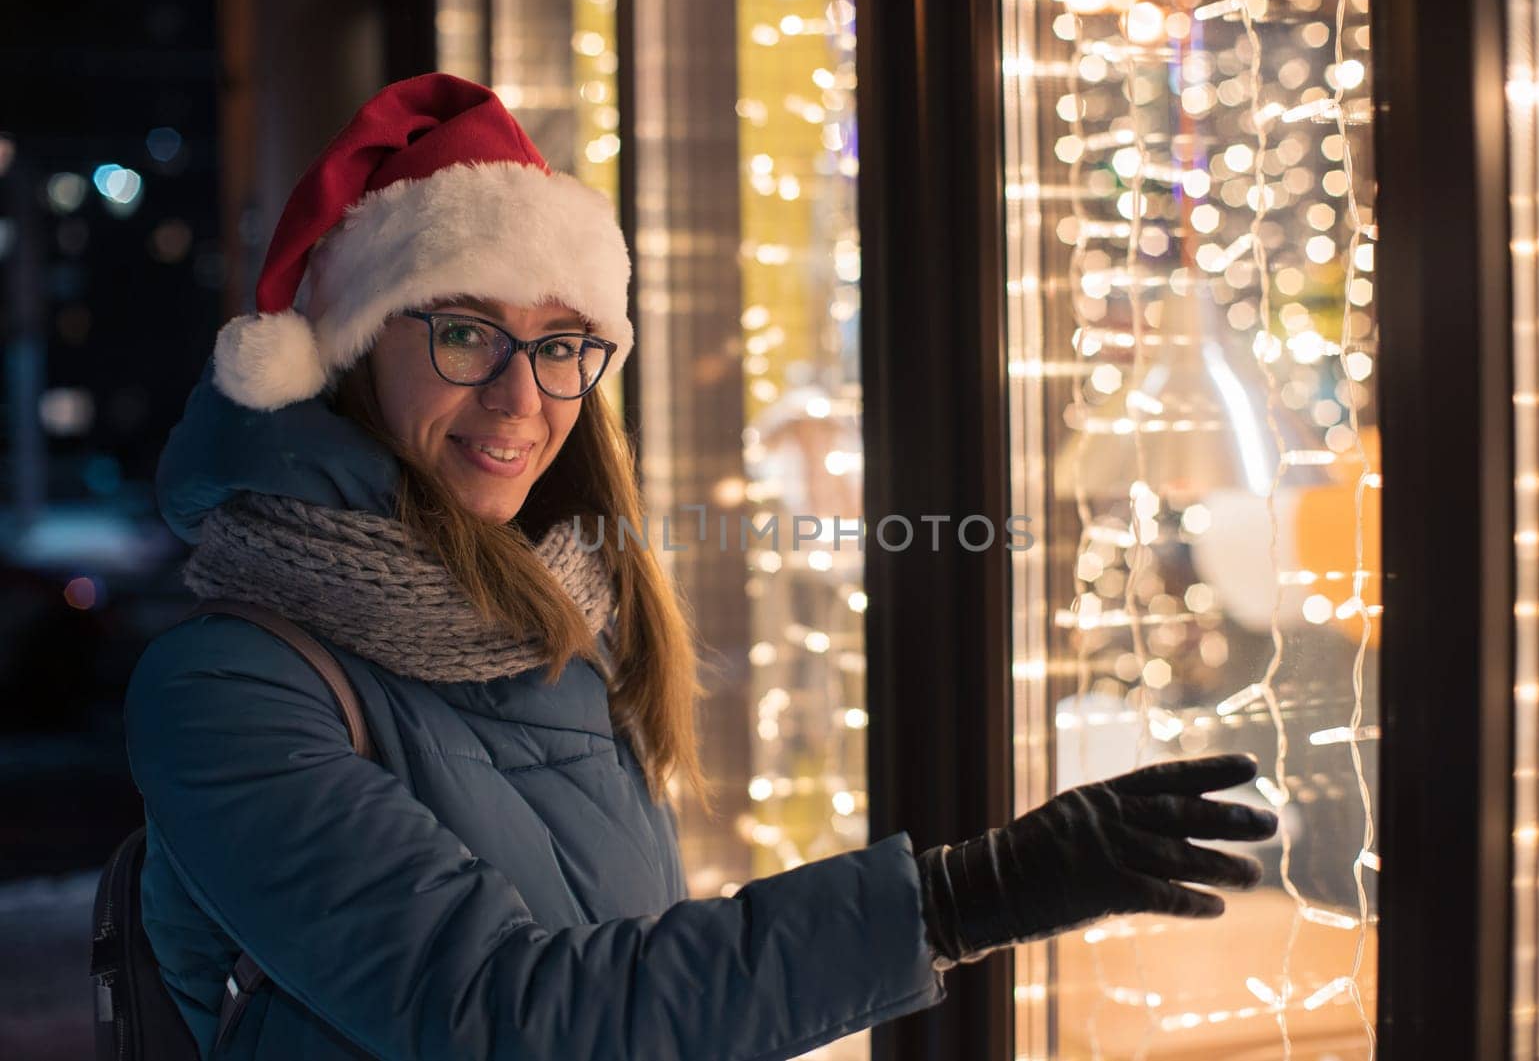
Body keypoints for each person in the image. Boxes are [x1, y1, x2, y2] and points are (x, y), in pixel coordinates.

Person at [124, 73, 1278, 1060]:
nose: (523, 399)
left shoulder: (568, 620)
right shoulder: (226, 690)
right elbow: (500, 1014)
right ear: (350, 349)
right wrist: (956, 899)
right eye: (465, 331)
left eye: (564, 344)